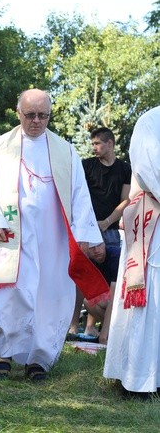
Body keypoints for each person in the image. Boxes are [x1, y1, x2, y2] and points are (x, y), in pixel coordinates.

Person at [0, 88, 107, 381]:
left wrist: (85, 235)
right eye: (30, 115)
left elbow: (79, 194)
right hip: (10, 236)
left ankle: (39, 359)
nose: (36, 121)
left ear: (49, 115)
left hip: (52, 239)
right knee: (11, 292)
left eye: (42, 115)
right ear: (18, 113)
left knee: (49, 295)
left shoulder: (64, 150)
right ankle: (4, 354)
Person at [103, 106, 160, 398]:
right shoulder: (151, 121)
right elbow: (150, 169)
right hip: (152, 222)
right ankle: (137, 378)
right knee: (146, 297)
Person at [69, 127, 131, 344]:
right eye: (92, 143)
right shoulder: (87, 166)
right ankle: (73, 324)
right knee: (81, 275)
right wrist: (86, 225)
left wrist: (107, 222)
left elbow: (126, 200)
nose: (93, 147)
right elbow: (77, 194)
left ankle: (95, 330)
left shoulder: (124, 169)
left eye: (97, 143)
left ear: (110, 144)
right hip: (86, 230)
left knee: (109, 279)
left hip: (111, 230)